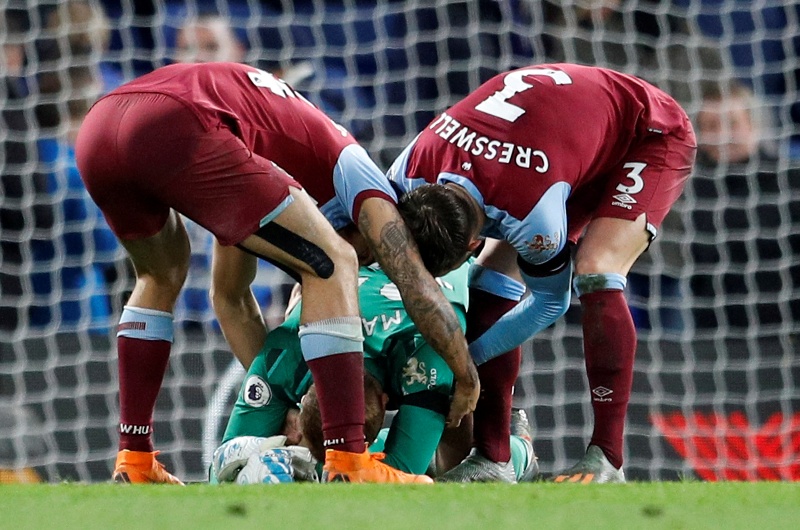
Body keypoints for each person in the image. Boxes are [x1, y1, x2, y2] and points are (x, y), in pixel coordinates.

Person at [75, 61, 478, 484]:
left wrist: (289, 394)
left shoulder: (259, 174)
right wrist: (467, 378)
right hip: (180, 122)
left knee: (160, 275)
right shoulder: (367, 184)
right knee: (334, 263)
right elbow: (414, 282)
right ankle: (349, 459)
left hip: (102, 127)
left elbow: (229, 297)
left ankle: (135, 458)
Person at [388, 63, 696, 483]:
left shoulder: (532, 214)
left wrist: (465, 360)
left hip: (646, 133)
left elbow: (551, 302)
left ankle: (608, 459)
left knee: (596, 270)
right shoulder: (409, 170)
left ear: (472, 243)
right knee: (487, 284)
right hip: (560, 137)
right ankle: (492, 459)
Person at [211, 258, 537, 483]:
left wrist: (294, 463)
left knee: (453, 461)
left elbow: (405, 476)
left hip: (441, 301)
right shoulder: (284, 352)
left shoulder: (425, 362)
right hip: (361, 268)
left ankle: (515, 450)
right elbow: (223, 463)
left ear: (385, 400)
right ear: (301, 397)